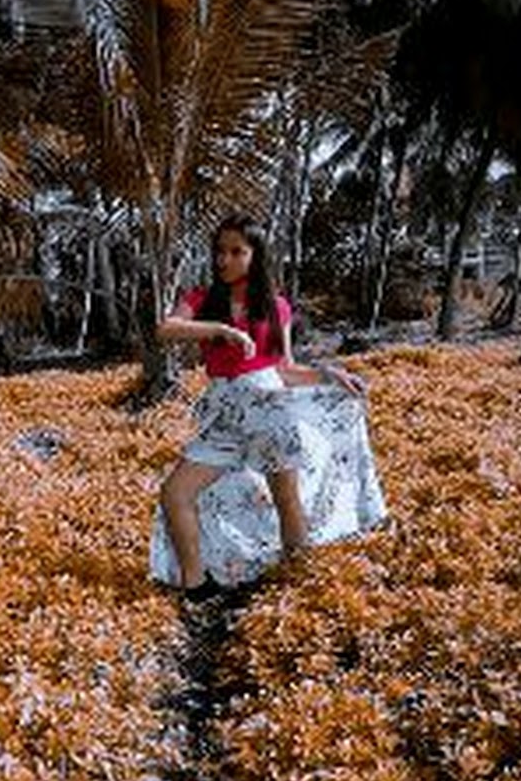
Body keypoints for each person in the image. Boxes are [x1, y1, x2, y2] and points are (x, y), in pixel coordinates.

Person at [148, 212, 387, 602]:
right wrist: (220, 329)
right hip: (225, 415)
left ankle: (299, 587)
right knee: (175, 494)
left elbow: (285, 370)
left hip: (271, 411)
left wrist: (327, 374)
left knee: (286, 500)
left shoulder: (276, 307)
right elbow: (165, 329)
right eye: (220, 251)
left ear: (256, 256)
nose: (224, 259)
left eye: (236, 252)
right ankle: (197, 586)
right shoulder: (202, 300)